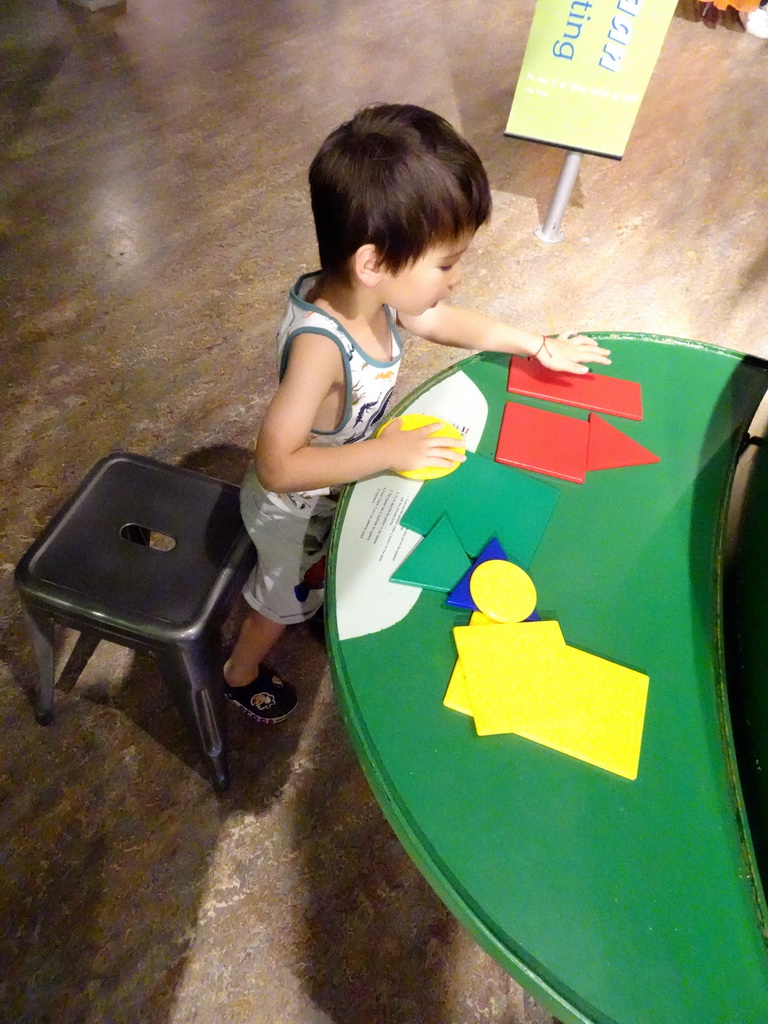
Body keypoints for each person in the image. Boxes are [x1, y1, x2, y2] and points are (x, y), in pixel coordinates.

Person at [223, 103, 611, 723]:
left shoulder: (367, 293)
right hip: (293, 514)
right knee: (283, 598)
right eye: (447, 263)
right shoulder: (323, 348)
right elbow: (275, 464)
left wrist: (535, 344)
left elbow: (436, 318)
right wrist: (389, 452)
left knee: (325, 574)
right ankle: (239, 672)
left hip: (336, 485)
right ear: (374, 263)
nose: (455, 280)